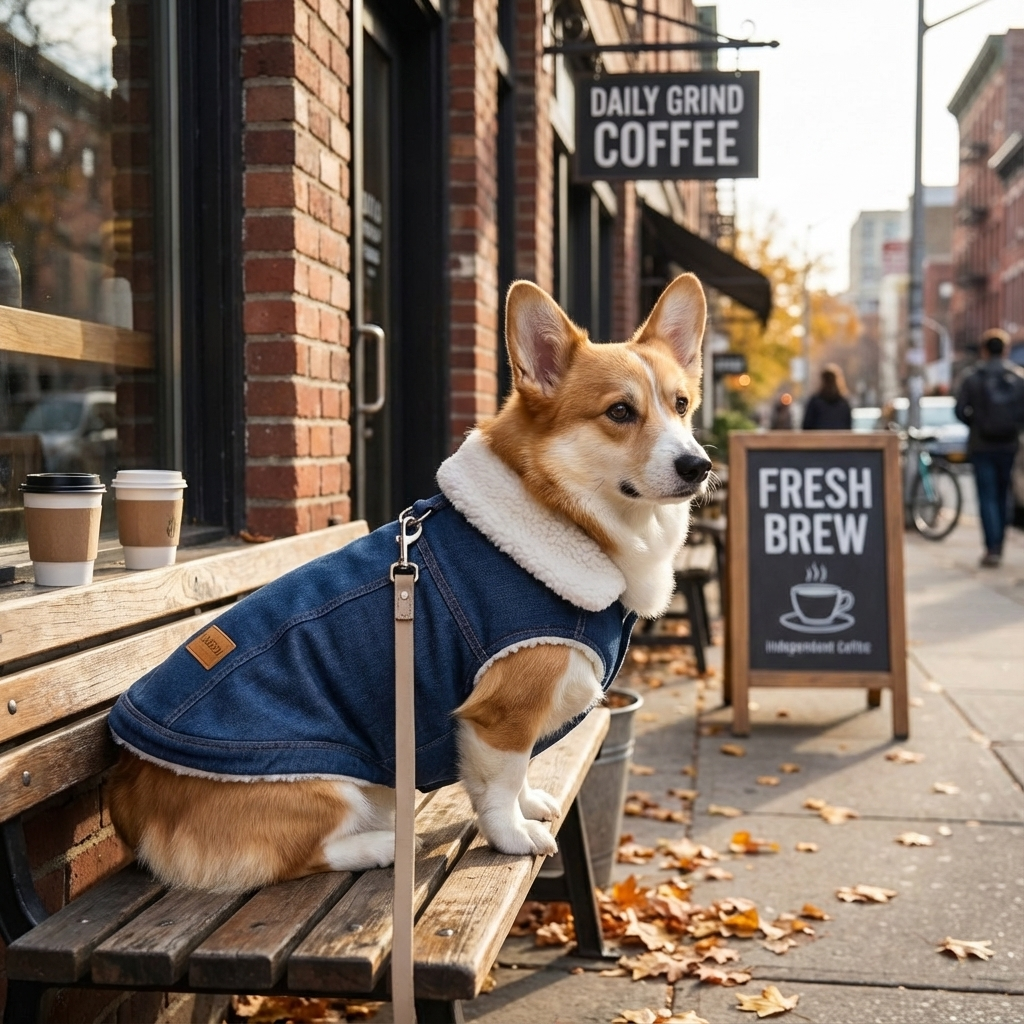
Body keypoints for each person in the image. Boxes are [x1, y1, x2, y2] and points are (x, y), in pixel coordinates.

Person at [955, 329, 1024, 567]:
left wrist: (976, 423)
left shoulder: (973, 377)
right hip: (1008, 444)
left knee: (987, 496)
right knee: (1004, 495)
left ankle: (991, 547)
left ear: (984, 350)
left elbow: (959, 410)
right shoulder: (1018, 377)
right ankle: (1000, 544)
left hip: (982, 445)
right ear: (1005, 349)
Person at [802, 364, 852, 430]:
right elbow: (848, 426)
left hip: (818, 439)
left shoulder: (814, 402)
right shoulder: (844, 403)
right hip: (839, 439)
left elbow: (806, 426)